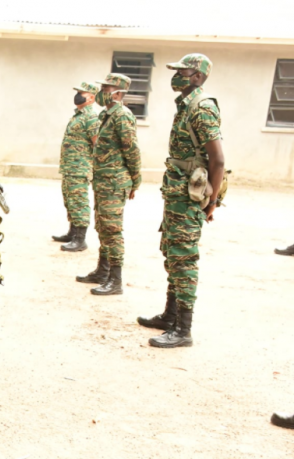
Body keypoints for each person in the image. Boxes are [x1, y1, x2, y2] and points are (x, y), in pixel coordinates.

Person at [138, 54, 225, 348]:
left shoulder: (202, 108)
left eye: (182, 71)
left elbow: (219, 159)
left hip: (189, 197)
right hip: (176, 193)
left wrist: (211, 201)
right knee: (172, 252)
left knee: (184, 259)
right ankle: (170, 315)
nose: (176, 75)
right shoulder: (186, 105)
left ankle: (183, 330)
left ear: (197, 76)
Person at [76, 73, 141, 295]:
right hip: (104, 181)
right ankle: (102, 272)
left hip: (115, 181)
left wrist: (135, 180)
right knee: (102, 226)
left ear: (119, 92)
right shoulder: (106, 114)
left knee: (112, 230)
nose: (102, 91)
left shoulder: (122, 115)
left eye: (106, 88)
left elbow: (131, 150)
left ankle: (116, 280)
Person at [52, 81, 100, 252]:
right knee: (70, 199)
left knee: (79, 202)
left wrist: (93, 168)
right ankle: (72, 233)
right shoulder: (78, 115)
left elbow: (97, 144)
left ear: (92, 97)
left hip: (80, 168)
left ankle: (80, 239)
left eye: (82, 92)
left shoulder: (91, 117)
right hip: (70, 167)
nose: (78, 95)